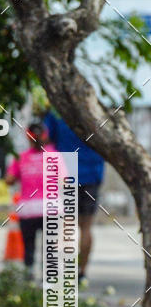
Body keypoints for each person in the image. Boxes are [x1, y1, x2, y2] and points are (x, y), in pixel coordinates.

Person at [43, 110, 105, 282]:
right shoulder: (94, 111)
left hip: (65, 171)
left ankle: (66, 271)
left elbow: (46, 138)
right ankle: (82, 272)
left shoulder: (56, 112)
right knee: (86, 226)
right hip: (92, 172)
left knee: (66, 224)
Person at [5, 121, 56, 278]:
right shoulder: (53, 156)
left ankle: (29, 274)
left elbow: (9, 179)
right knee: (50, 246)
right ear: (45, 136)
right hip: (51, 208)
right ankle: (48, 277)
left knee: (29, 244)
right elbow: (64, 180)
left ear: (28, 138)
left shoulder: (21, 158)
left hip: (27, 209)